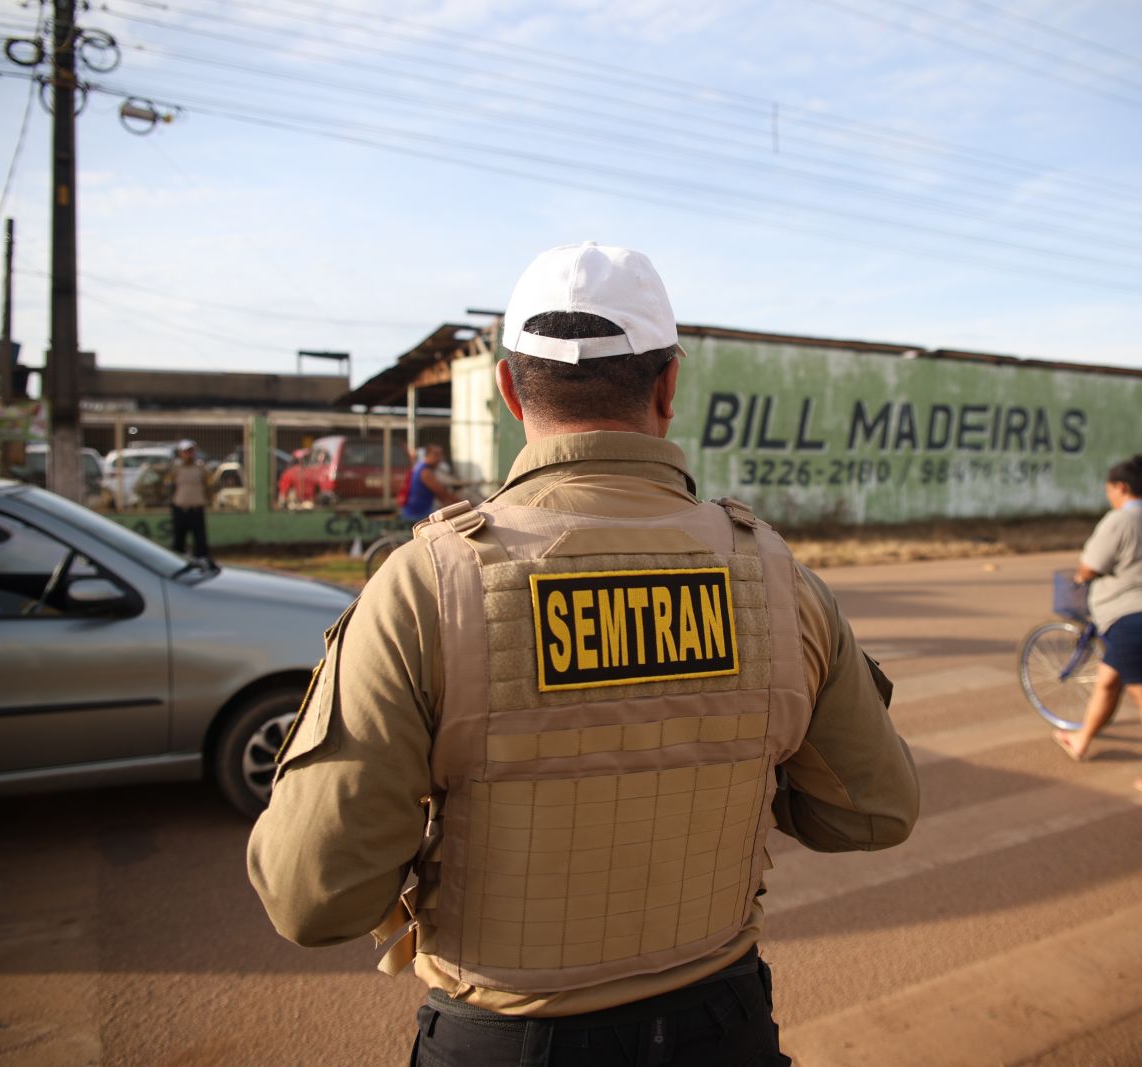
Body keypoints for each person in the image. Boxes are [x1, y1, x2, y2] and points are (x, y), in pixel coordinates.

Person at [248, 241, 920, 1066]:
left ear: (506, 389)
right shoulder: (777, 575)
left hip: (504, 1044)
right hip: (722, 1029)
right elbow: (875, 811)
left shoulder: (426, 584)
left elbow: (314, 899)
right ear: (669, 384)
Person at [1051, 454, 1142, 797]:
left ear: (1121, 488)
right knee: (1108, 679)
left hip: (1131, 616)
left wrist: (1083, 576)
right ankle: (1081, 740)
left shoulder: (1119, 520)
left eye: (1109, 489)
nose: (1108, 495)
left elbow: (1090, 566)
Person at [169, 438, 212, 562]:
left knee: (200, 540)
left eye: (191, 451)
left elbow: (210, 483)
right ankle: (177, 561)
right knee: (178, 540)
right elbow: (167, 485)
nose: (189, 454)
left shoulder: (201, 468)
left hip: (196, 509)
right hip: (180, 509)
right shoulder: (175, 469)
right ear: (181, 453)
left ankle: (202, 561)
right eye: (186, 451)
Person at [399, 443, 463, 522]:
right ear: (428, 455)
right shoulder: (425, 471)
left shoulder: (421, 466)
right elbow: (441, 492)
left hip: (416, 512)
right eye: (436, 455)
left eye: (440, 455)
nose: (439, 458)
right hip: (417, 515)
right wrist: (463, 504)